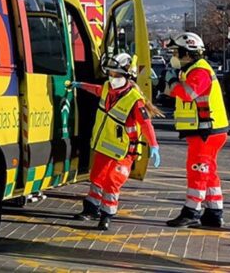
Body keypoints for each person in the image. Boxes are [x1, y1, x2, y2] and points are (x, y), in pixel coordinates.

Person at [68, 52, 161, 231]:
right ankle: (91, 208)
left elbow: (146, 124)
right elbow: (96, 90)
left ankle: (106, 215)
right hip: (105, 145)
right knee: (96, 177)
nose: (112, 78)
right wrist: (80, 85)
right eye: (110, 74)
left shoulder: (135, 100)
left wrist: (154, 146)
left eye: (116, 75)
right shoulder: (107, 88)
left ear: (127, 76)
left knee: (112, 181)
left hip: (125, 150)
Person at [163, 32, 228, 228]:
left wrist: (173, 82)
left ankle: (191, 211)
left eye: (176, 52)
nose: (174, 56)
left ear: (187, 52)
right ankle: (214, 212)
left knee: (197, 171)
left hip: (206, 131)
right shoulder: (191, 70)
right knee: (209, 172)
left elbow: (187, 93)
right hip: (206, 130)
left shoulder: (199, 71)